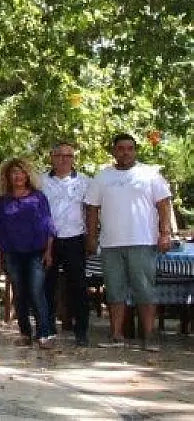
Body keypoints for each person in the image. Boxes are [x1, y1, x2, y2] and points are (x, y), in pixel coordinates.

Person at [85, 133, 174, 351]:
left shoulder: (150, 174)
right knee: (115, 291)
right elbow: (92, 209)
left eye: (130, 148)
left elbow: (164, 204)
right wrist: (91, 237)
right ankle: (116, 335)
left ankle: (149, 336)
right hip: (111, 244)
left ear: (135, 150)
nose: (125, 152)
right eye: (121, 148)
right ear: (114, 151)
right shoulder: (102, 177)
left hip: (142, 241)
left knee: (144, 290)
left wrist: (165, 233)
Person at [0, 158, 56, 349]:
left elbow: (48, 226)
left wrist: (49, 252)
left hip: (36, 252)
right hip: (12, 253)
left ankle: (44, 333)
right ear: (7, 177)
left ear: (27, 175)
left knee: (37, 292)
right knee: (19, 294)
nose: (17, 176)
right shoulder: (2, 201)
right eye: (13, 172)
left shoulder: (38, 197)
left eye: (21, 172)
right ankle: (25, 333)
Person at [41, 142, 92, 346]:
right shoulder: (40, 181)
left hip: (75, 238)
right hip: (47, 241)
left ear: (73, 159)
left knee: (78, 287)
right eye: (59, 155)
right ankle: (47, 329)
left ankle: (81, 332)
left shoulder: (86, 182)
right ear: (51, 157)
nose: (63, 159)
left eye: (68, 156)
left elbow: (91, 211)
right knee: (47, 286)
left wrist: (91, 238)